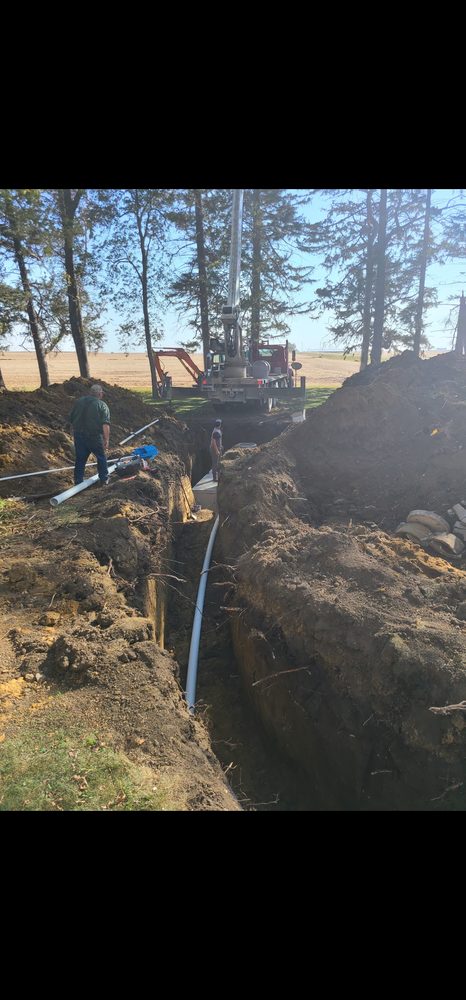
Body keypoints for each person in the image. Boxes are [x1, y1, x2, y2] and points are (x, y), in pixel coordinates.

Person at [69, 384, 111, 486]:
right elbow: (105, 424)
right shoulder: (102, 405)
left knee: (80, 458)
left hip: (78, 435)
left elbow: (72, 419)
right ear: (100, 394)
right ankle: (104, 479)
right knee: (101, 457)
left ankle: (78, 481)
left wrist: (73, 434)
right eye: (102, 393)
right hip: (94, 436)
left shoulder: (79, 402)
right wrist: (106, 439)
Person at [210, 418, 223, 482]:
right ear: (220, 425)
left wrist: (220, 446)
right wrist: (217, 450)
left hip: (218, 448)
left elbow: (218, 440)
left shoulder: (217, 430)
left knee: (218, 462)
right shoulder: (216, 432)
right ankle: (214, 478)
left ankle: (218, 476)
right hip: (215, 449)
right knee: (215, 463)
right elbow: (213, 442)